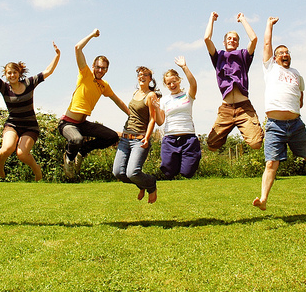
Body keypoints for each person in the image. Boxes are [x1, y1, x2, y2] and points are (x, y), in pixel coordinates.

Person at [0, 41, 60, 181]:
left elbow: (48, 71)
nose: (12, 75)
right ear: (6, 75)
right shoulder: (4, 87)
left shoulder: (29, 83)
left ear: (19, 73)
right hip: (12, 124)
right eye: (9, 73)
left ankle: (37, 170)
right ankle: (0, 166)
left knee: (21, 154)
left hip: (30, 126)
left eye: (14, 72)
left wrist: (57, 55)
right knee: (6, 149)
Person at [253, 17, 306, 211]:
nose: (285, 54)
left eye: (287, 52)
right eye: (280, 53)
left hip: (296, 125)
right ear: (274, 57)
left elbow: (300, 98)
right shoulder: (270, 68)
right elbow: (266, 43)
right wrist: (269, 25)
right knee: (271, 163)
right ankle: (263, 199)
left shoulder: (297, 74)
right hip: (275, 125)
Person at [58, 29, 129, 179]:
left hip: (83, 124)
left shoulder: (104, 85)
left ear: (107, 70)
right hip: (67, 123)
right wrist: (91, 35)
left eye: (103, 68)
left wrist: (132, 115)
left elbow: (118, 101)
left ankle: (82, 151)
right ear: (93, 66)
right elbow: (77, 48)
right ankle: (69, 158)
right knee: (76, 139)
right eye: (98, 67)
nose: (100, 70)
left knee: (111, 136)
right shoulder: (85, 74)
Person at [204, 11, 264, 151]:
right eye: (229, 39)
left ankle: (266, 133)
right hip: (226, 109)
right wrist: (211, 19)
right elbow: (207, 39)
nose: (232, 40)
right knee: (212, 145)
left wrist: (243, 19)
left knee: (256, 144)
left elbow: (254, 39)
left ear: (237, 43)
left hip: (244, 108)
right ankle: (227, 130)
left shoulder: (243, 55)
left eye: (235, 39)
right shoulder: (218, 56)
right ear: (224, 42)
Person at [112, 66, 160, 203]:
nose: (142, 76)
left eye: (145, 74)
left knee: (132, 173)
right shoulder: (135, 93)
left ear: (150, 79)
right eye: (140, 74)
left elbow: (152, 119)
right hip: (125, 138)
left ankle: (150, 184)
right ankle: (142, 185)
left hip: (139, 140)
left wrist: (147, 137)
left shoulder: (151, 95)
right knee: (118, 173)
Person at [153, 56, 201, 179]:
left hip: (188, 137)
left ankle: (190, 160)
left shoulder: (188, 96)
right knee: (168, 171)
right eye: (169, 83)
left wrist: (184, 67)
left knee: (187, 172)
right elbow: (160, 121)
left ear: (179, 80)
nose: (172, 84)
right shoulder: (164, 100)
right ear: (166, 85)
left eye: (174, 81)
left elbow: (193, 83)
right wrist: (156, 108)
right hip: (170, 138)